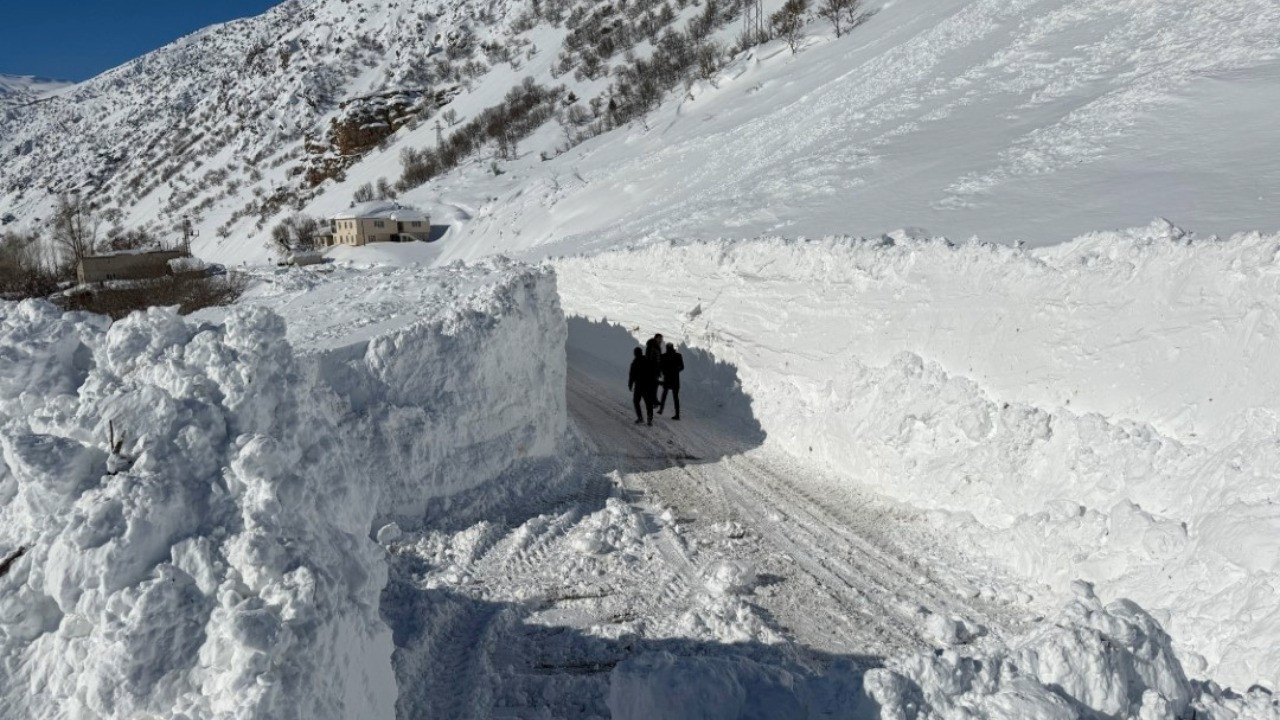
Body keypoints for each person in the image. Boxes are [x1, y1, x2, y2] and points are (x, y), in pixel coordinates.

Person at [628, 347, 655, 425]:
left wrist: (630, 384)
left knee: (636, 401)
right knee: (648, 402)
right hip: (647, 385)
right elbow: (652, 371)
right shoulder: (647, 360)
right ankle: (649, 418)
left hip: (639, 386)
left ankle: (640, 418)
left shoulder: (634, 363)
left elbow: (631, 375)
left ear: (635, 354)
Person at [658, 343, 684, 419]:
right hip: (675, 379)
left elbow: (660, 367)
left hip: (668, 378)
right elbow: (682, 367)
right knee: (675, 397)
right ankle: (677, 415)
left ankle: (661, 410)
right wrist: (676, 370)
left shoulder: (664, 356)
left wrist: (663, 371)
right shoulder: (678, 356)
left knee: (665, 395)